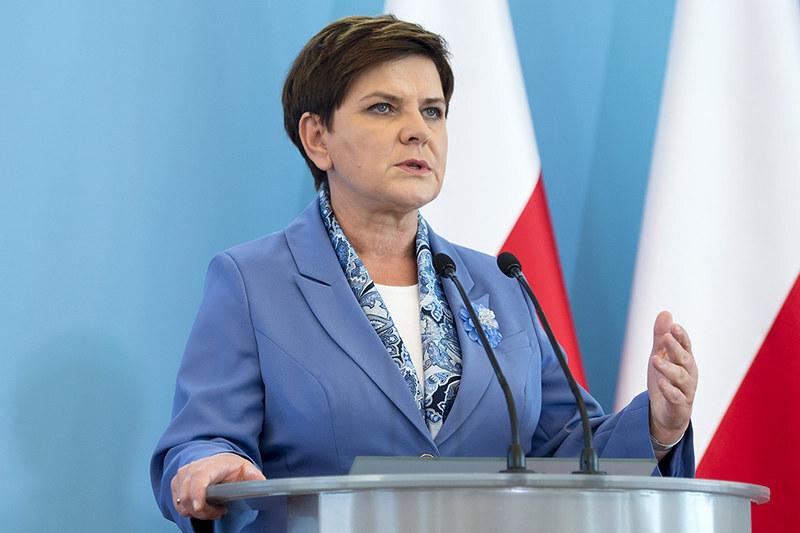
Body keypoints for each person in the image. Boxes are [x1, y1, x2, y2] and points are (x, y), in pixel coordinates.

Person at [151, 14, 698, 532]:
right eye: (383, 108)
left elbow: (571, 450)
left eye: (433, 111)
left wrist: (658, 426)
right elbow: (202, 440)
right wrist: (210, 465)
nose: (418, 131)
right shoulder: (253, 283)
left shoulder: (501, 284)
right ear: (318, 138)